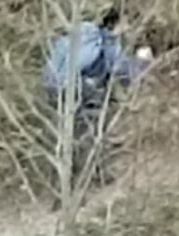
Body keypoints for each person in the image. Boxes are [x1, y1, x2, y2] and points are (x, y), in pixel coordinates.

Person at [43, 9, 151, 177]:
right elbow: (122, 70)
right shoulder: (105, 41)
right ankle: (94, 173)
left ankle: (63, 177)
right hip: (76, 88)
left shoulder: (82, 32)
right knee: (90, 127)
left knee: (68, 132)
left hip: (54, 87)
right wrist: (142, 62)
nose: (129, 27)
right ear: (118, 23)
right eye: (128, 22)